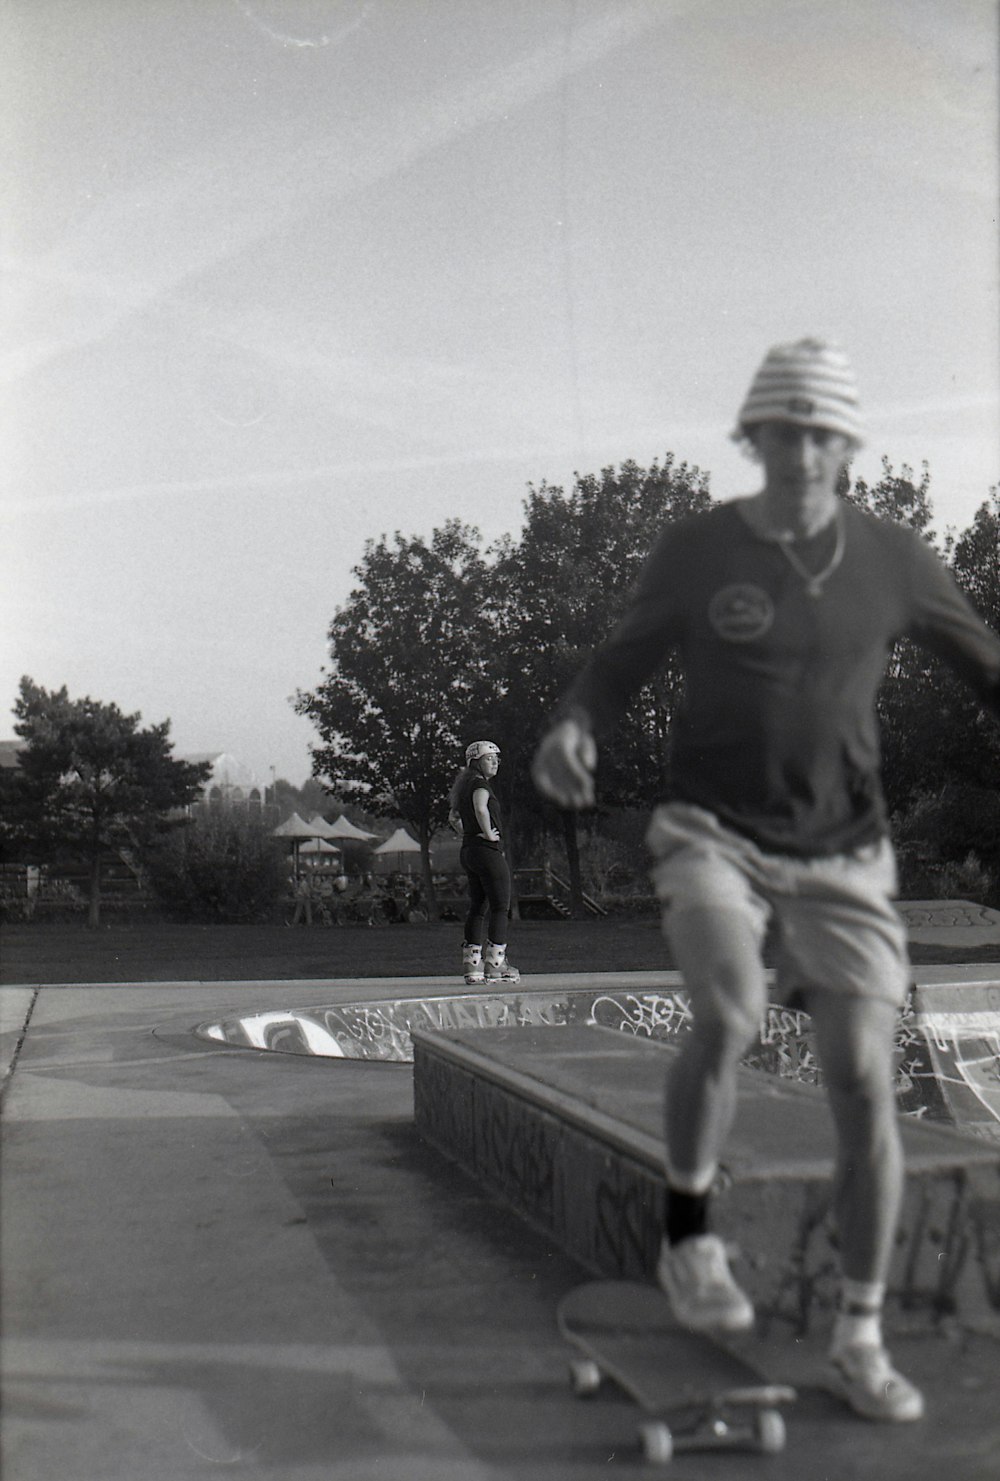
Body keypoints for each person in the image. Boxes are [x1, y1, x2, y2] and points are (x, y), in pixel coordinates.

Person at [531, 337, 1000, 1424]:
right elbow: (617, 660)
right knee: (731, 1010)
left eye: (821, 435)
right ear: (753, 440)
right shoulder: (696, 548)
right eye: (782, 433)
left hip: (845, 853)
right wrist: (570, 724)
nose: (801, 454)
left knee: (862, 1082)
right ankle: (690, 1233)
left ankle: (859, 1334)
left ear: (846, 446)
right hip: (711, 834)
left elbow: (985, 666)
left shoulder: (894, 557)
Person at [449, 740, 520, 984]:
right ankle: (495, 964)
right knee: (501, 906)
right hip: (487, 851)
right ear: (477, 762)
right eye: (490, 758)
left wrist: (467, 833)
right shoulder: (480, 785)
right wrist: (489, 833)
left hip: (469, 850)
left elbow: (453, 818)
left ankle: (472, 963)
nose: (495, 762)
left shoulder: (464, 787)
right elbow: (481, 809)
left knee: (478, 907)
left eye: (496, 758)